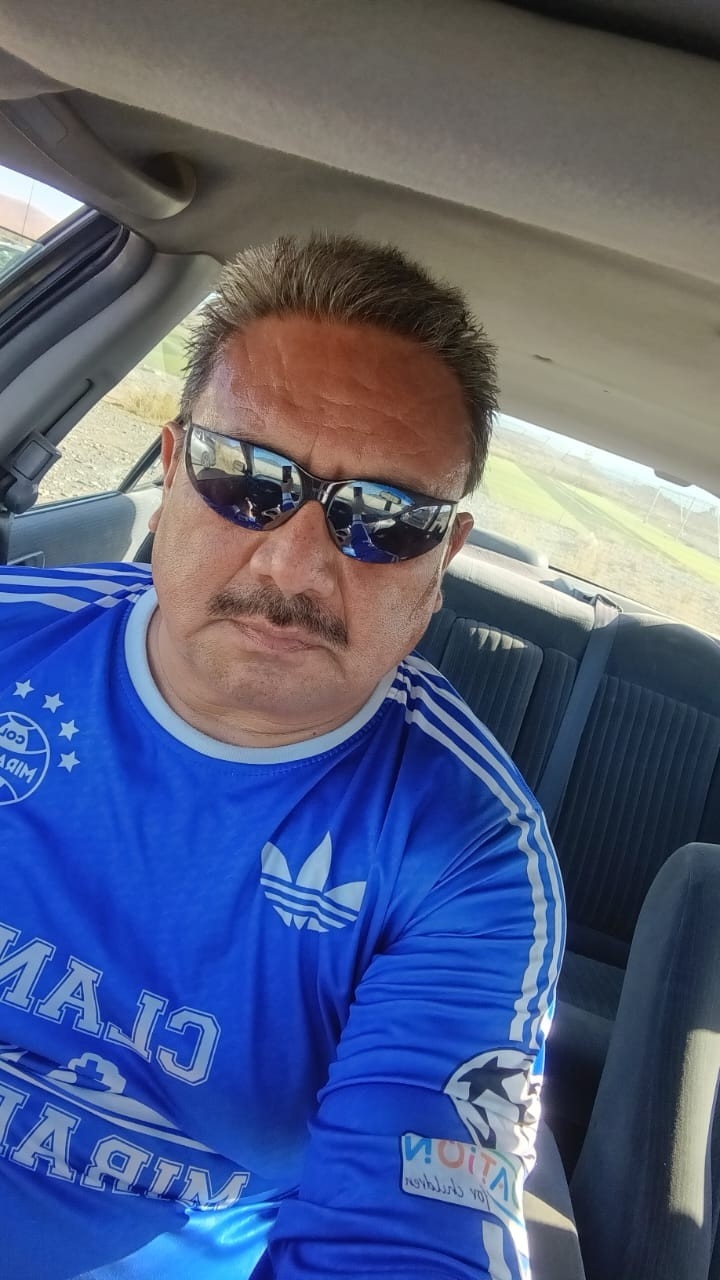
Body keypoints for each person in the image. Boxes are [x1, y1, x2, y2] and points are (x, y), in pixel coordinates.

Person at [0, 234, 565, 1280]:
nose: (296, 563)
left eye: (384, 520)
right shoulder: (10, 635)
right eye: (246, 478)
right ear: (174, 469)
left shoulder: (469, 854)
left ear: (442, 561)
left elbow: (407, 1242)